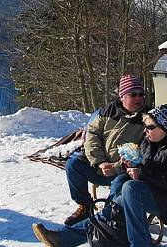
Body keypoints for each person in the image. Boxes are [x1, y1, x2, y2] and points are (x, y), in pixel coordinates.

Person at [32, 101, 167, 247]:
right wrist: (126, 165)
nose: (145, 130)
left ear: (164, 127)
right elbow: (143, 164)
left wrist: (142, 173)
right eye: (145, 126)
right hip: (152, 190)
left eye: (150, 127)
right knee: (117, 192)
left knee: (130, 188)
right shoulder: (150, 141)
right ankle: (62, 239)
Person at [61, 73, 147, 226]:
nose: (139, 98)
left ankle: (109, 217)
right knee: (73, 165)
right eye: (133, 94)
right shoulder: (107, 112)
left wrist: (115, 167)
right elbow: (92, 135)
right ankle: (84, 206)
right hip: (101, 167)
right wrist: (100, 162)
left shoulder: (147, 119)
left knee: (120, 184)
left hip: (124, 172)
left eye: (141, 94)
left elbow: (141, 152)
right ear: (122, 97)